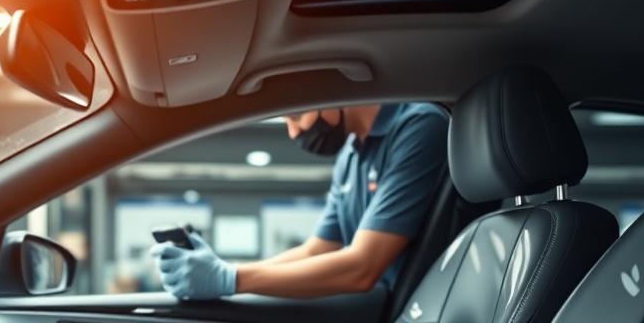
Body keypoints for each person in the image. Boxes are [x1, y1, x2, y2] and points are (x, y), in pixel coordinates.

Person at [151, 103, 449, 299]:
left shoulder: (418, 126)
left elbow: (362, 267)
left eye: (295, 116)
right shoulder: (349, 156)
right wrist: (226, 270)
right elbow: (314, 250)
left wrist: (230, 279)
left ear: (332, 92)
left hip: (417, 310)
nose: (293, 132)